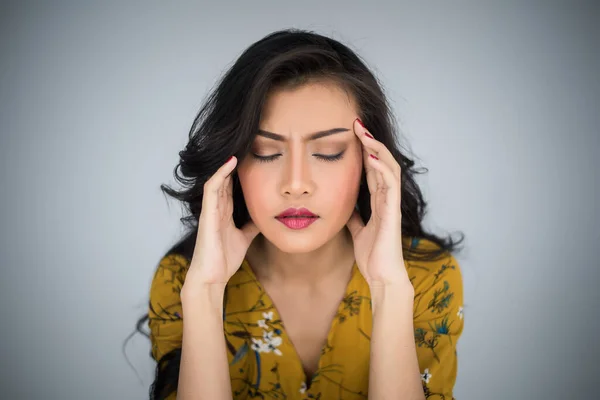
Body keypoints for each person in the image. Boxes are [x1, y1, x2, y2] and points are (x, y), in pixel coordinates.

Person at [138, 28, 465, 400]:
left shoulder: (427, 277)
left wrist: (389, 290)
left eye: (327, 152)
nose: (295, 184)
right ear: (231, 164)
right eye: (264, 151)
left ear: (370, 160)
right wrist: (205, 294)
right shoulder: (182, 280)